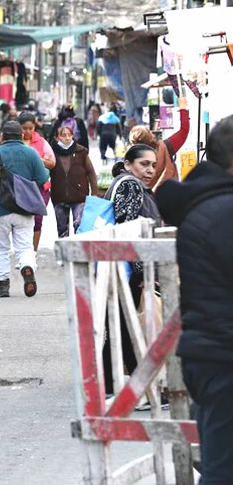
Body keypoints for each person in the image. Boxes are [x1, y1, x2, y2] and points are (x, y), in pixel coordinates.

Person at [156, 116, 233, 485]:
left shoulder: (202, 204)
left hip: (207, 357)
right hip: (223, 358)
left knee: (221, 477)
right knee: (223, 480)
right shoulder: (223, 210)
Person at [100, 144, 162, 395]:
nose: (150, 170)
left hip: (115, 267)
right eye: (144, 164)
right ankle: (144, 388)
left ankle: (109, 383)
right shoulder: (131, 185)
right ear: (128, 164)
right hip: (126, 269)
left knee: (120, 327)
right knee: (124, 327)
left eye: (153, 165)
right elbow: (127, 230)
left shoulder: (120, 183)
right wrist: (143, 273)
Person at [0, 120, 50, 298]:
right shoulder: (31, 153)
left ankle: (3, 285)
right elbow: (43, 177)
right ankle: (27, 267)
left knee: (1, 247)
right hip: (25, 210)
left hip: (1, 210)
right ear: (22, 135)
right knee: (25, 246)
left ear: (3, 136)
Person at [128, 93, 190, 191]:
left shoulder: (132, 163)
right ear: (150, 135)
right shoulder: (165, 147)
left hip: (148, 203)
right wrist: (183, 108)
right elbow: (184, 130)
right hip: (170, 198)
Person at [49, 125, 98, 237]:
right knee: (62, 229)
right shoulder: (52, 153)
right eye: (63, 135)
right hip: (59, 195)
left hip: (79, 195)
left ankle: (78, 250)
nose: (67, 138)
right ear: (57, 137)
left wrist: (95, 192)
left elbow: (91, 172)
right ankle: (64, 252)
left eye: (69, 135)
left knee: (79, 225)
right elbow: (45, 172)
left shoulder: (81, 151)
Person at [18, 112, 56, 251]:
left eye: (30, 128)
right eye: (24, 128)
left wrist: (37, 159)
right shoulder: (15, 142)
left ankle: (32, 252)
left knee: (37, 220)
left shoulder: (41, 142)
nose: (28, 131)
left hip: (40, 188)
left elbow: (52, 162)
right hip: (21, 187)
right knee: (21, 220)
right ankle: (23, 251)